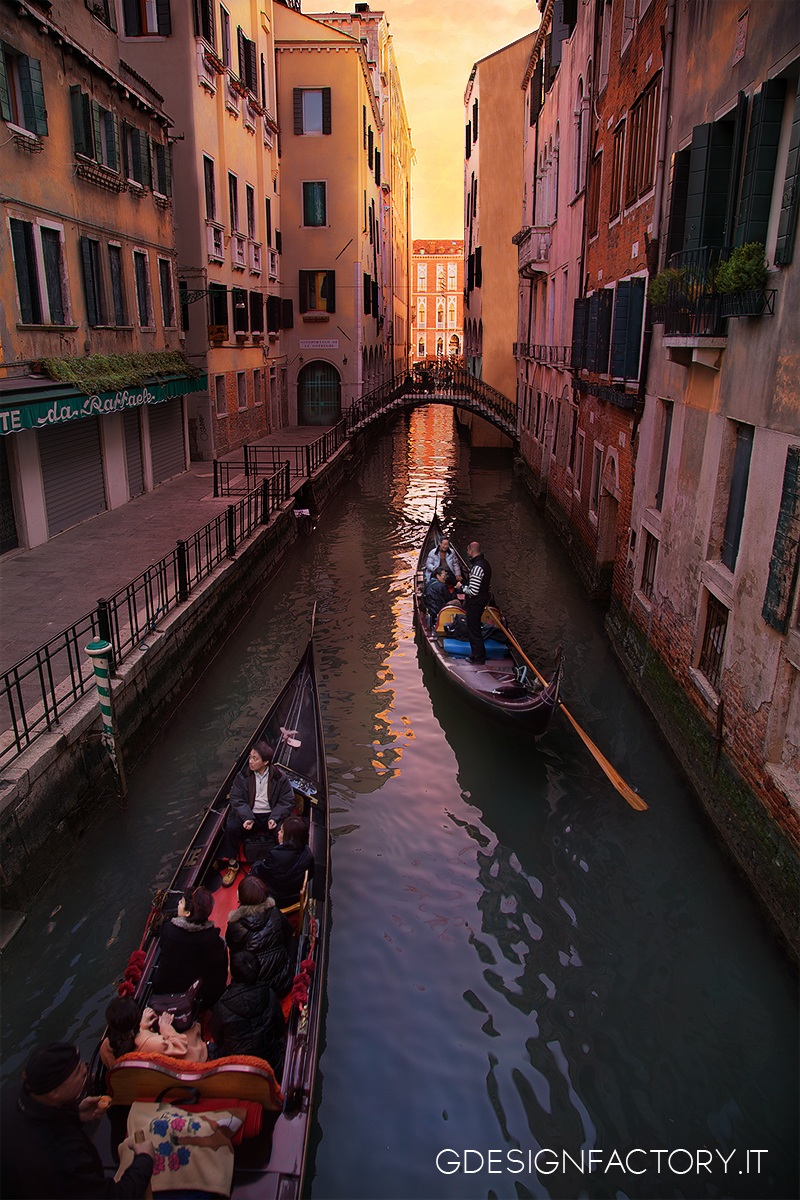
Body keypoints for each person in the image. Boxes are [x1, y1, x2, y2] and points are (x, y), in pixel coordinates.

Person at [0, 1041, 154, 1199]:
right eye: (77, 1073)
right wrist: (144, 1159)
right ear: (55, 1092)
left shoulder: (12, 1096)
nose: (86, 1070)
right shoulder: (62, 1158)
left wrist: (75, 1115)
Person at [216, 740, 296, 887]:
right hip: (249, 813)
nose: (250, 761)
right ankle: (233, 864)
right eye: (250, 757)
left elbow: (287, 800)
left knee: (284, 832)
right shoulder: (242, 776)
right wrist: (247, 817)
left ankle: (279, 865)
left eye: (255, 758)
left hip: (271, 815)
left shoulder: (280, 777)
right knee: (231, 828)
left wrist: (274, 818)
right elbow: (236, 799)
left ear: (265, 762)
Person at [149, 886, 228, 1011]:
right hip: (192, 990)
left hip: (164, 987)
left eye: (181, 902)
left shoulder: (168, 930)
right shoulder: (211, 939)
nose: (178, 903)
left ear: (187, 913)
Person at [209, 950, 286, 1074]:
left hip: (236, 1067)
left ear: (232, 974)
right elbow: (280, 1028)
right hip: (272, 1064)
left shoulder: (221, 1006)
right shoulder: (270, 994)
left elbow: (217, 1037)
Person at [226, 875, 294, 997]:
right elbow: (288, 933)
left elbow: (235, 953)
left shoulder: (234, 926)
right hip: (283, 980)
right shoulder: (275, 913)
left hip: (256, 989)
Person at [99, 996, 208, 1069]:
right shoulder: (153, 1043)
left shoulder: (105, 1048)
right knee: (195, 1025)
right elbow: (181, 1048)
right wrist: (166, 1028)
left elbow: (132, 1041)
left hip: (142, 1081)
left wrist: (143, 1027)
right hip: (189, 1066)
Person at [252, 815, 314, 909]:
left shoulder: (275, 854)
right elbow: (311, 874)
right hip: (295, 896)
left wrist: (255, 865)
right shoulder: (307, 852)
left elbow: (260, 873)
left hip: (277, 899)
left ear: (289, 837)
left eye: (281, 831)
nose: (278, 833)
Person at [457, 540, 493, 664]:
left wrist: (461, 587)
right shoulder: (486, 564)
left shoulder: (477, 567)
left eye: (468, 550)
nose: (467, 552)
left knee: (474, 630)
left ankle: (478, 657)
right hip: (482, 601)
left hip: (475, 603)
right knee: (475, 628)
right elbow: (487, 586)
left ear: (471, 551)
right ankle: (475, 653)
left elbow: (473, 591)